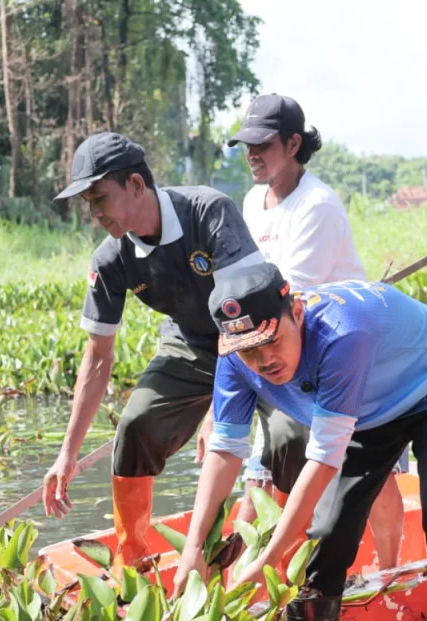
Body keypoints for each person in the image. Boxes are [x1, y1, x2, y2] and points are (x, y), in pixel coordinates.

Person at [175, 262, 427, 621]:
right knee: (325, 534)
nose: (264, 361)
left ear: (298, 313)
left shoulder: (342, 335)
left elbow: (322, 460)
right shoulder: (236, 361)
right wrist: (192, 549)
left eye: (272, 341)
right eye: (248, 351)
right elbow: (224, 451)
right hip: (368, 413)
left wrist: (269, 559)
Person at [43, 131, 290, 571]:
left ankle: (278, 558)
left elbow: (244, 314)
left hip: (260, 336)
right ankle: (134, 560)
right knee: (136, 425)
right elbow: (98, 358)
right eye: (88, 204)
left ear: (136, 185)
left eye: (100, 198)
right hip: (192, 342)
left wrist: (221, 403)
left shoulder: (208, 212)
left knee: (292, 439)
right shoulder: (110, 260)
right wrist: (67, 454)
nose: (94, 213)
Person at [218, 93, 405, 569]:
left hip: (340, 345)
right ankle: (268, 571)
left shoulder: (317, 205)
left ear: (293, 143)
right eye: (246, 146)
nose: (252, 155)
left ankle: (390, 569)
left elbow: (287, 297)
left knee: (368, 460)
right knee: (261, 465)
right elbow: (249, 289)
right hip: (282, 348)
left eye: (262, 144)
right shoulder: (252, 202)